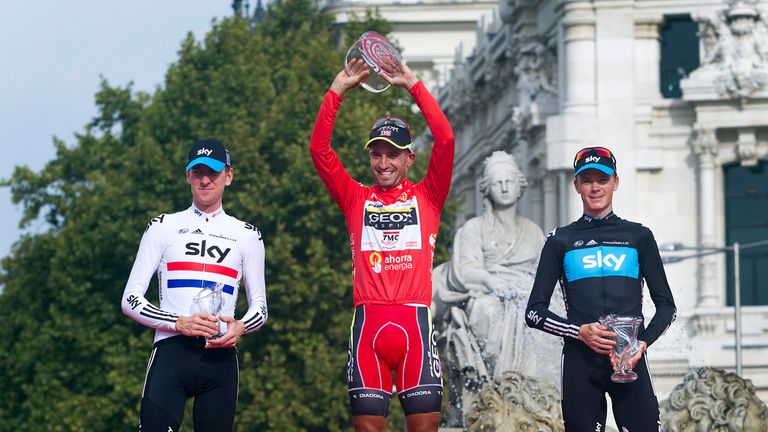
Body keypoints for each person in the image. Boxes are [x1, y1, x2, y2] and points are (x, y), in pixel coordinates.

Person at [309, 58, 454, 432]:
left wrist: (414, 86)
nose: (384, 162)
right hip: (368, 328)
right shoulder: (355, 197)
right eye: (377, 153)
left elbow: (447, 139)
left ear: (410, 157)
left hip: (415, 327)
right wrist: (337, 91)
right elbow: (319, 151)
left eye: (393, 153)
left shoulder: (429, 196)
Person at [525, 146, 677, 431]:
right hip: (579, 363)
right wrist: (578, 331)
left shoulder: (639, 237)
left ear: (615, 183)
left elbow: (667, 307)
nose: (595, 187)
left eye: (602, 179)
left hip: (630, 361)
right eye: (587, 180)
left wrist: (641, 344)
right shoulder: (560, 241)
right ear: (577, 186)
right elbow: (534, 313)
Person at [121, 138, 268, 432]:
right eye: (197, 172)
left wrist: (240, 326)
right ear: (188, 175)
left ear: (228, 176)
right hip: (171, 353)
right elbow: (130, 299)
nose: (204, 180)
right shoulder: (162, 226)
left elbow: (260, 308)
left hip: (220, 358)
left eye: (212, 172)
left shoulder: (247, 235)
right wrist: (179, 323)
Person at [431, 151, 561, 416]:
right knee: (488, 311)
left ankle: (536, 395)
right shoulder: (473, 229)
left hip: (524, 293)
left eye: (509, 181)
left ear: (519, 185)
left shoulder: (533, 231)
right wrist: (492, 282)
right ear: (486, 189)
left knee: (546, 319)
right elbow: (465, 270)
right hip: (488, 293)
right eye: (497, 182)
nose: (504, 187)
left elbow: (543, 274)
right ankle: (500, 389)